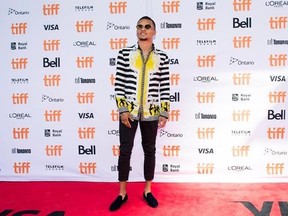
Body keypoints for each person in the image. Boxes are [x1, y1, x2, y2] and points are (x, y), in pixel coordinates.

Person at [109, 16, 170, 211]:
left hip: (151, 112)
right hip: (130, 112)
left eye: (147, 27)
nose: (143, 30)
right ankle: (122, 193)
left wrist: (164, 112)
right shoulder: (125, 54)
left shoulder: (162, 57)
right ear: (136, 30)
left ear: (154, 31)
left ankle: (147, 190)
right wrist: (123, 109)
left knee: (149, 150)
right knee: (125, 150)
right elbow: (119, 85)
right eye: (139, 27)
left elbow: (165, 87)